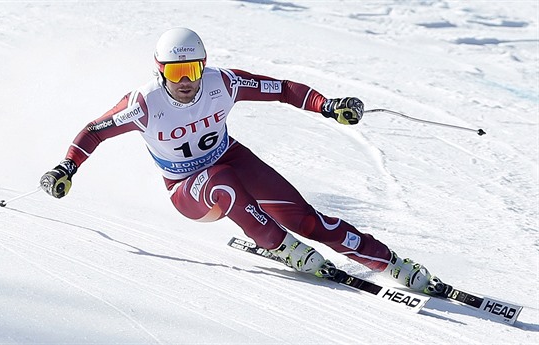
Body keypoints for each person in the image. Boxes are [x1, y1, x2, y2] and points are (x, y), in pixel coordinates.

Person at [40, 27, 444, 295]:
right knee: (223, 179)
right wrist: (66, 168)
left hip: (230, 158)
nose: (186, 81)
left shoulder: (223, 82)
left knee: (306, 218)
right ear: (160, 71)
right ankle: (279, 245)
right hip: (187, 189)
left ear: (203, 65)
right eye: (176, 71)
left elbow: (281, 89)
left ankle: (390, 262)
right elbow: (95, 130)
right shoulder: (145, 103)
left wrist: (328, 105)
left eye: (192, 69)